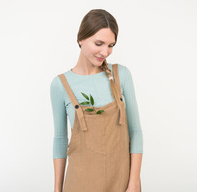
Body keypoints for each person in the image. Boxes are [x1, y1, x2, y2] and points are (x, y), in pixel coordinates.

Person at [50, 9, 143, 192]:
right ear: (81, 39)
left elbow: (136, 132)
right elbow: (60, 141)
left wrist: (134, 183)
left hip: (121, 182)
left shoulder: (121, 75)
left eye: (110, 45)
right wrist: (57, 189)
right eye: (99, 43)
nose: (105, 52)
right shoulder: (60, 85)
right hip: (79, 184)